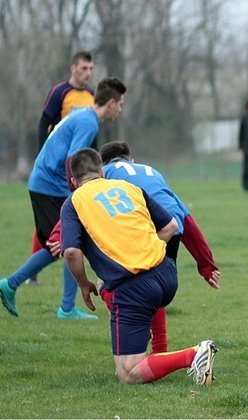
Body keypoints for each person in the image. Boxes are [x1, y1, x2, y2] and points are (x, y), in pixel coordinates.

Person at [60, 148, 218, 385]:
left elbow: (71, 252)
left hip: (135, 288)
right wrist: (148, 249)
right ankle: (140, 331)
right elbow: (171, 226)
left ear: (73, 181)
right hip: (166, 274)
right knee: (108, 283)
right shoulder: (131, 188)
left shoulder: (74, 202)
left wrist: (83, 284)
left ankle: (194, 354)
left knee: (128, 373)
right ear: (102, 171)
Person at [0, 77, 127, 320]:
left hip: (46, 183)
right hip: (50, 185)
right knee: (69, 242)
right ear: (110, 103)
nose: (120, 109)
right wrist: (78, 191)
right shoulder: (89, 122)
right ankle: (63, 307)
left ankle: (14, 285)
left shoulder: (83, 115)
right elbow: (73, 158)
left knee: (61, 244)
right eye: (120, 103)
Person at [97, 140, 221, 353]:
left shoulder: (104, 174)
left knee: (105, 279)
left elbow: (81, 201)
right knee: (156, 285)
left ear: (102, 165)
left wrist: (60, 235)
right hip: (171, 228)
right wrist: (206, 265)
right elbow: (187, 219)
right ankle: (160, 350)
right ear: (131, 159)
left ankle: (137, 329)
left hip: (145, 226)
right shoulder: (152, 172)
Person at [28, 51, 95, 286]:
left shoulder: (91, 96)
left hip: (76, 168)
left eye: (90, 69)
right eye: (84, 68)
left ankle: (65, 300)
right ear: (73, 68)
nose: (88, 73)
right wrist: (41, 155)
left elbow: (91, 138)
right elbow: (43, 124)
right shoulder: (60, 92)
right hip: (56, 169)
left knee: (64, 224)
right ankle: (28, 274)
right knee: (57, 228)